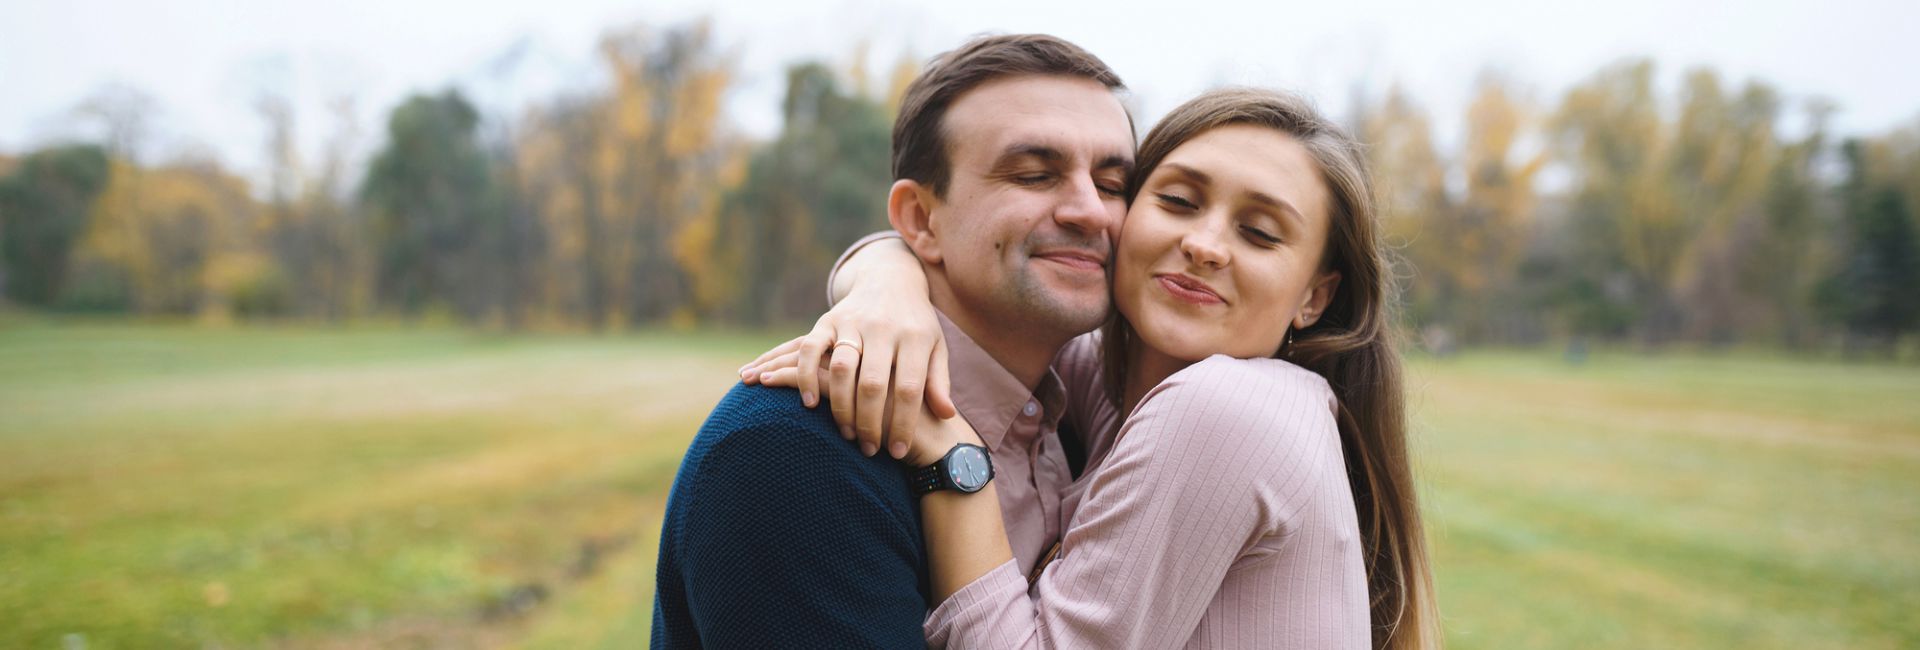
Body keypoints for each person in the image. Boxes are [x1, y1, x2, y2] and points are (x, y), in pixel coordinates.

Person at [744, 88, 1439, 648]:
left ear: (1315, 297)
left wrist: (955, 463)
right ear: (1120, 219)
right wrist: (885, 285)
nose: (1204, 244)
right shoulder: (1109, 384)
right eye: (1177, 201)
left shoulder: (1224, 406)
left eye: (1258, 233)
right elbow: (972, 285)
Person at [649, 33, 1137, 647]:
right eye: (1035, 174)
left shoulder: (1078, 416)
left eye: (1115, 184)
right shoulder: (793, 451)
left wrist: (882, 267)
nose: (1090, 211)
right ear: (919, 220)